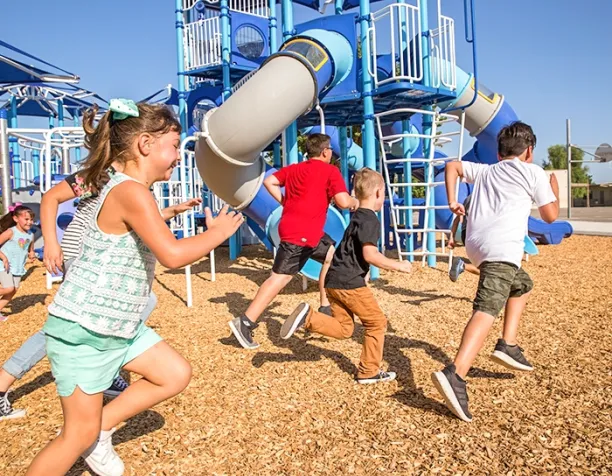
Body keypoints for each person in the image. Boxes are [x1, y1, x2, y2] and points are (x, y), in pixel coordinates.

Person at [25, 99, 243, 476]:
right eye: (174, 145)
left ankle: (102, 427)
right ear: (145, 144)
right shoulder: (130, 191)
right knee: (75, 434)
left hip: (116, 327)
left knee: (174, 373)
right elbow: (172, 255)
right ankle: (92, 433)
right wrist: (215, 235)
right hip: (85, 330)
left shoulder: (132, 191)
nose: (178, 155)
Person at [0, 165, 201, 421]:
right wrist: (51, 242)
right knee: (67, 325)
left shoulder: (134, 181)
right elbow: (52, 197)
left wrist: (172, 211)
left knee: (139, 303)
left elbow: (131, 222)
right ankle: (6, 381)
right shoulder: (103, 173)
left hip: (98, 257)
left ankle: (102, 365)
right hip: (83, 254)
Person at [432, 121, 559, 422]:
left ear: (500, 153)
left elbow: (452, 166)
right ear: (529, 151)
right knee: (486, 308)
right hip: (503, 249)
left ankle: (508, 344)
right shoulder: (534, 172)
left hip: (476, 246)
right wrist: (554, 190)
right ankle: (456, 373)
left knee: (522, 285)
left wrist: (452, 200)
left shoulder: (487, 170)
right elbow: (551, 217)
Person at [280, 168, 412, 384]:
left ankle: (309, 318)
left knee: (345, 329)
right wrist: (398, 265)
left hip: (333, 281)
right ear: (379, 192)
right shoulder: (370, 220)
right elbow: (370, 254)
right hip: (350, 283)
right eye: (384, 193)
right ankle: (369, 371)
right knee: (377, 323)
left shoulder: (357, 216)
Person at [229, 133, 359, 350]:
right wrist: (356, 201)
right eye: (330, 151)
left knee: (332, 256)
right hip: (301, 234)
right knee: (279, 278)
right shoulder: (330, 171)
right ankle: (245, 322)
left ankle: (325, 305)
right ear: (326, 152)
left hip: (307, 232)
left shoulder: (296, 169)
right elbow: (343, 202)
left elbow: (270, 181)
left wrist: (285, 202)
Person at [0, 204, 36, 321]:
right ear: (16, 219)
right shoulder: (11, 232)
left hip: (17, 266)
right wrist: (3, 257)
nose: (29, 222)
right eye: (26, 219)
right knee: (9, 288)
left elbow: (30, 248)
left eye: (31, 219)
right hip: (4, 265)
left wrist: (31, 254)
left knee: (13, 290)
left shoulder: (30, 235)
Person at [447, 194, 480, 282]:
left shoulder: (468, 199)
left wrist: (451, 238)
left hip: (466, 234)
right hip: (480, 233)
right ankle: (463, 265)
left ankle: (462, 265)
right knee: (490, 268)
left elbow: (457, 220)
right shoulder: (485, 196)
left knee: (486, 267)